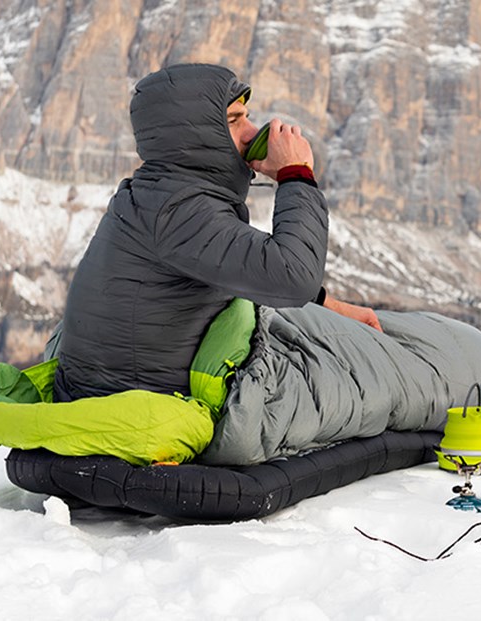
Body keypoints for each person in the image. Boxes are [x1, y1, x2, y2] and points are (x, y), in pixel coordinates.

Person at [53, 63, 379, 402]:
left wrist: (332, 306)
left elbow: (241, 262)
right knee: (386, 371)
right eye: (234, 121)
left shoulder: (164, 195)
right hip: (141, 406)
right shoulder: (178, 211)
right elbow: (293, 277)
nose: (253, 132)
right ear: (195, 134)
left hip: (128, 390)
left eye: (247, 117)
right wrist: (295, 174)